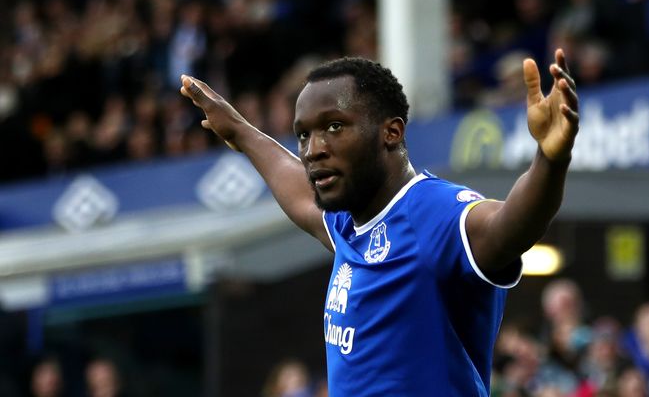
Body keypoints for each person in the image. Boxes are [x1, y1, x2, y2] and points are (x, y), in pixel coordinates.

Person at [179, 48, 579, 396]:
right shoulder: (348, 224)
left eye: (334, 127)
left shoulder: (436, 214)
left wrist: (550, 159)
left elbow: (512, 226)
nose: (314, 150)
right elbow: (299, 194)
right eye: (303, 135)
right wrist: (241, 132)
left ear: (391, 132)